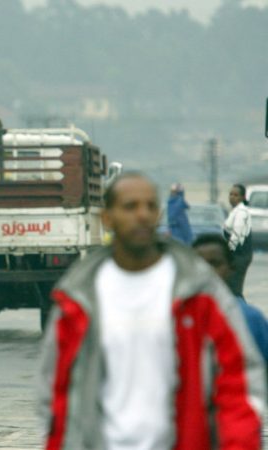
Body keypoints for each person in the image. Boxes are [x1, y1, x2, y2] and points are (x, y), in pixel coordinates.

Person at [38, 172, 265, 450]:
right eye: (130, 206)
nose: (142, 215)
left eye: (150, 206)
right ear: (107, 219)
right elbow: (55, 391)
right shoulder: (79, 297)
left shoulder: (198, 293)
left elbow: (237, 381)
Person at [192, 233, 268, 363]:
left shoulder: (250, 318)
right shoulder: (177, 316)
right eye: (200, 264)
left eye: (215, 264)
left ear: (230, 269)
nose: (207, 271)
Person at [224, 183, 252, 297]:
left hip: (239, 255)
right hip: (237, 255)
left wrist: (227, 253)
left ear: (242, 197)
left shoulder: (241, 212)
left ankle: (242, 312)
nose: (232, 197)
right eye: (231, 194)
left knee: (234, 289)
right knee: (232, 288)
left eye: (236, 195)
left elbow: (236, 235)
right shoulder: (235, 211)